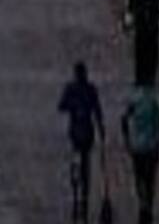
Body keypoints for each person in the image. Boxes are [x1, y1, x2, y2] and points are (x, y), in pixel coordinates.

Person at [56, 62, 105, 223]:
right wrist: (101, 129)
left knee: (79, 164)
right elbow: (97, 111)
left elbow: (61, 106)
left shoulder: (73, 89)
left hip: (78, 133)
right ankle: (82, 194)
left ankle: (79, 194)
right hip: (83, 133)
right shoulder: (89, 89)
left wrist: (72, 107)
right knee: (84, 165)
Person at [121, 83, 159, 224]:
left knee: (139, 177)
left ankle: (143, 203)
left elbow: (124, 118)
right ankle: (147, 205)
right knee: (150, 179)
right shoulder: (156, 98)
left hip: (137, 146)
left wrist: (126, 139)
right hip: (152, 146)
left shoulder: (135, 97)